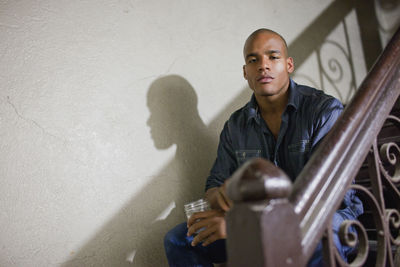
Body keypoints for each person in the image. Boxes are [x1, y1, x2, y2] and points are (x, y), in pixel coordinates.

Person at [164, 28, 363, 267]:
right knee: (178, 239)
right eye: (253, 60)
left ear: (289, 64)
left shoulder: (324, 111)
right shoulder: (235, 126)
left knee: (318, 235)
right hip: (253, 222)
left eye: (273, 57)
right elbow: (214, 186)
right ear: (245, 72)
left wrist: (243, 227)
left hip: (327, 217)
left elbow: (323, 195)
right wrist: (222, 197)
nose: (263, 65)